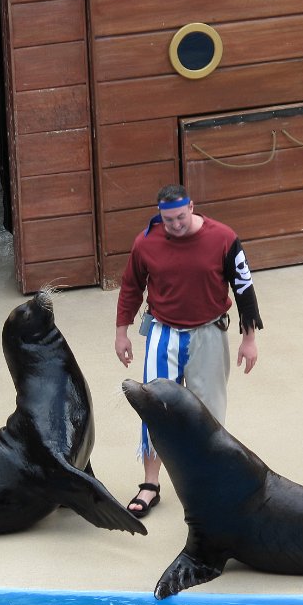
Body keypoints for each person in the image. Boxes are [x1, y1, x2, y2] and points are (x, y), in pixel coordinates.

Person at [114, 184, 264, 516]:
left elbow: (243, 287)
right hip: (163, 331)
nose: (176, 225)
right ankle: (150, 484)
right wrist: (121, 332)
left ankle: (213, 481)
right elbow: (131, 286)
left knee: (210, 412)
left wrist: (249, 338)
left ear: (192, 208)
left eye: (181, 217)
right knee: (154, 407)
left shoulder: (222, 238)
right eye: (168, 220)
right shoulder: (146, 242)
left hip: (208, 332)